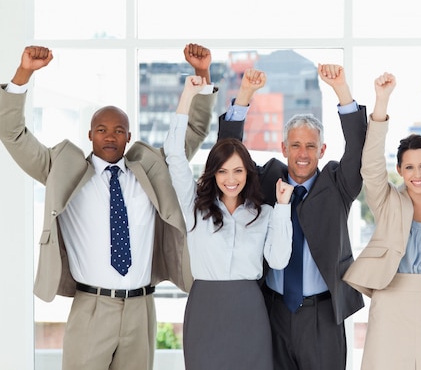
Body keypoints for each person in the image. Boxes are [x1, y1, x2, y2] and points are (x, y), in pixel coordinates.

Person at [0, 44, 216, 370]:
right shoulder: (62, 170)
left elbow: (195, 131)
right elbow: (12, 134)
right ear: (90, 134)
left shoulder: (152, 170)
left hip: (141, 308)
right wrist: (24, 74)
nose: (110, 136)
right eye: (102, 130)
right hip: (91, 308)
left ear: (129, 136)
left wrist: (202, 76)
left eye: (118, 130)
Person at [216, 64, 366, 370]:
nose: (302, 153)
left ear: (322, 150)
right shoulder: (267, 178)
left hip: (323, 314)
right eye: (295, 145)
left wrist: (341, 90)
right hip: (274, 310)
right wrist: (244, 96)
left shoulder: (339, 183)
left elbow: (358, 149)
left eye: (311, 146)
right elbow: (228, 155)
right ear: (284, 147)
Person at [164, 74, 294, 370]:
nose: (231, 179)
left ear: (248, 172)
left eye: (238, 171)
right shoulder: (195, 206)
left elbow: (278, 260)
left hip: (249, 311)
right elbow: (174, 153)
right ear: (213, 174)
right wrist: (188, 94)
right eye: (222, 172)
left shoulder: (264, 213)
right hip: (205, 309)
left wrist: (284, 207)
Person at [343, 72, 421, 370]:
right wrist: (381, 102)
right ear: (399, 169)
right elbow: (371, 166)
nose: (417, 174)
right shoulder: (388, 202)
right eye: (409, 167)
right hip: (390, 300)